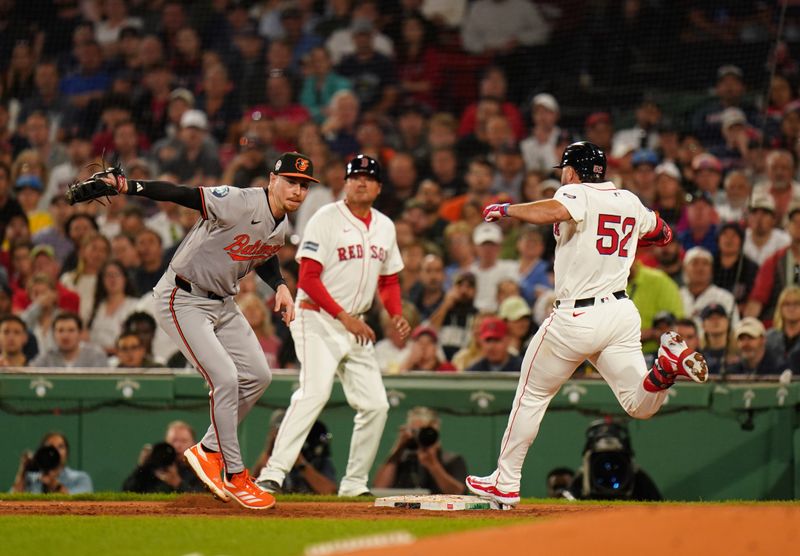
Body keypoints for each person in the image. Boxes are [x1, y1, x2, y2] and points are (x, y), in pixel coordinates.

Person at [465, 141, 709, 506]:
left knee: (531, 396)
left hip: (576, 316)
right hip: (620, 313)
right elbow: (664, 234)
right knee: (639, 405)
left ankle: (506, 480)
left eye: (563, 169)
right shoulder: (628, 200)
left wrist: (508, 209)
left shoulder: (575, 192)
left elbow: (553, 210)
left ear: (572, 170)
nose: (562, 174)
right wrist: (624, 240)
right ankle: (666, 368)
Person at [87, 152, 319, 510]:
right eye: (291, 181)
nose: (298, 190)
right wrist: (128, 185)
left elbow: (264, 252)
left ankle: (209, 448)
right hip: (182, 296)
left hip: (222, 303)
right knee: (225, 378)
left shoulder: (281, 222)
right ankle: (235, 473)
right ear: (272, 180)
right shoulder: (241, 201)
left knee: (258, 375)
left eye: (304, 185)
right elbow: (183, 194)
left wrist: (281, 286)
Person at [255, 154, 410, 497]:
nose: (361, 181)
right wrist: (344, 317)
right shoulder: (325, 219)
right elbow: (308, 280)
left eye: (369, 177)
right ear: (345, 182)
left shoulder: (385, 226)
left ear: (379, 187)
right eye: (355, 176)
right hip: (316, 318)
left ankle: (354, 484)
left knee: (375, 405)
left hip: (355, 325)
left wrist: (395, 312)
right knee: (314, 392)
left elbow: (389, 280)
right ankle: (272, 473)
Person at [373, 406, 467, 495]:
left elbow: (458, 492)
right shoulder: (401, 459)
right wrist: (398, 449)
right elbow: (379, 488)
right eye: (415, 431)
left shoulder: (451, 460)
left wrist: (433, 465)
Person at [250, 409, 337, 495]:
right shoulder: (270, 458)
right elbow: (252, 486)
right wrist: (269, 450)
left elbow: (330, 491)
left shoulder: (318, 459)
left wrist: (301, 464)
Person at [11, 432, 93, 494]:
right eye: (51, 447)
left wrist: (54, 484)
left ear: (67, 453)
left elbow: (79, 504)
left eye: (60, 447)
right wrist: (23, 471)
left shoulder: (80, 478)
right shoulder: (31, 478)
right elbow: (9, 503)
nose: (55, 451)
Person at [30, 312, 109, 368]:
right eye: (60, 331)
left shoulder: (96, 356)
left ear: (80, 333)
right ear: (53, 335)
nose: (65, 336)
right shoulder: (47, 357)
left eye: (71, 330)